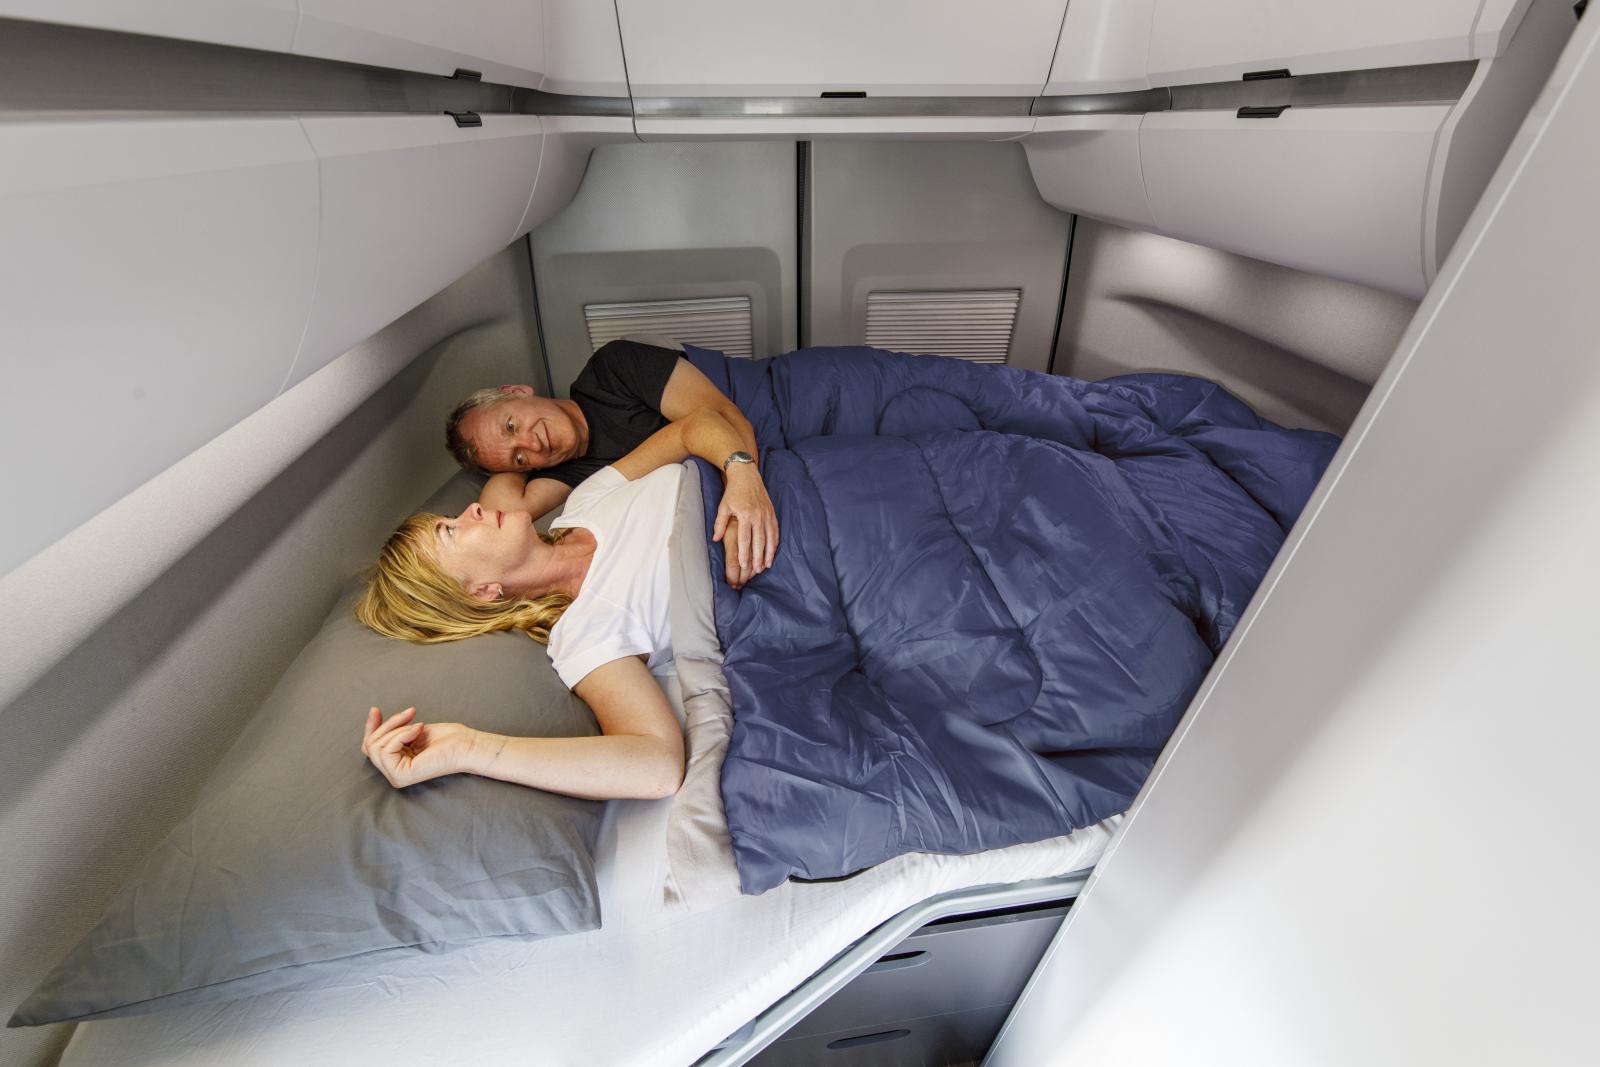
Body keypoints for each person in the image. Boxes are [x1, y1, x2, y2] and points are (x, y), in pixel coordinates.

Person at [358, 440, 692, 800]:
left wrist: (734, 472)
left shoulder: (584, 501)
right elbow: (657, 766)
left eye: (451, 517)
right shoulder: (585, 631)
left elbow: (694, 428)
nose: (473, 508)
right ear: (481, 592)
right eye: (451, 530)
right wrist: (468, 748)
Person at [445, 338, 777, 588]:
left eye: (511, 425)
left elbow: (727, 417)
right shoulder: (567, 475)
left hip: (767, 411)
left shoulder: (610, 370)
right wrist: (510, 462)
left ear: (518, 392)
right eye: (519, 457)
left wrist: (741, 512)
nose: (533, 443)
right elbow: (501, 511)